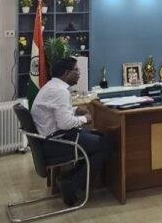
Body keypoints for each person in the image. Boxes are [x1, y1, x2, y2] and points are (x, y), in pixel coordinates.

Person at [31, 57, 112, 206]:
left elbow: (56, 113)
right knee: (105, 144)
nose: (79, 73)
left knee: (99, 136)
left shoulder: (51, 86)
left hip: (50, 140)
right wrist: (85, 118)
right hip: (58, 142)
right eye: (76, 70)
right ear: (66, 73)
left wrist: (74, 111)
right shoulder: (60, 91)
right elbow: (65, 123)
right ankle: (73, 184)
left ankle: (68, 178)